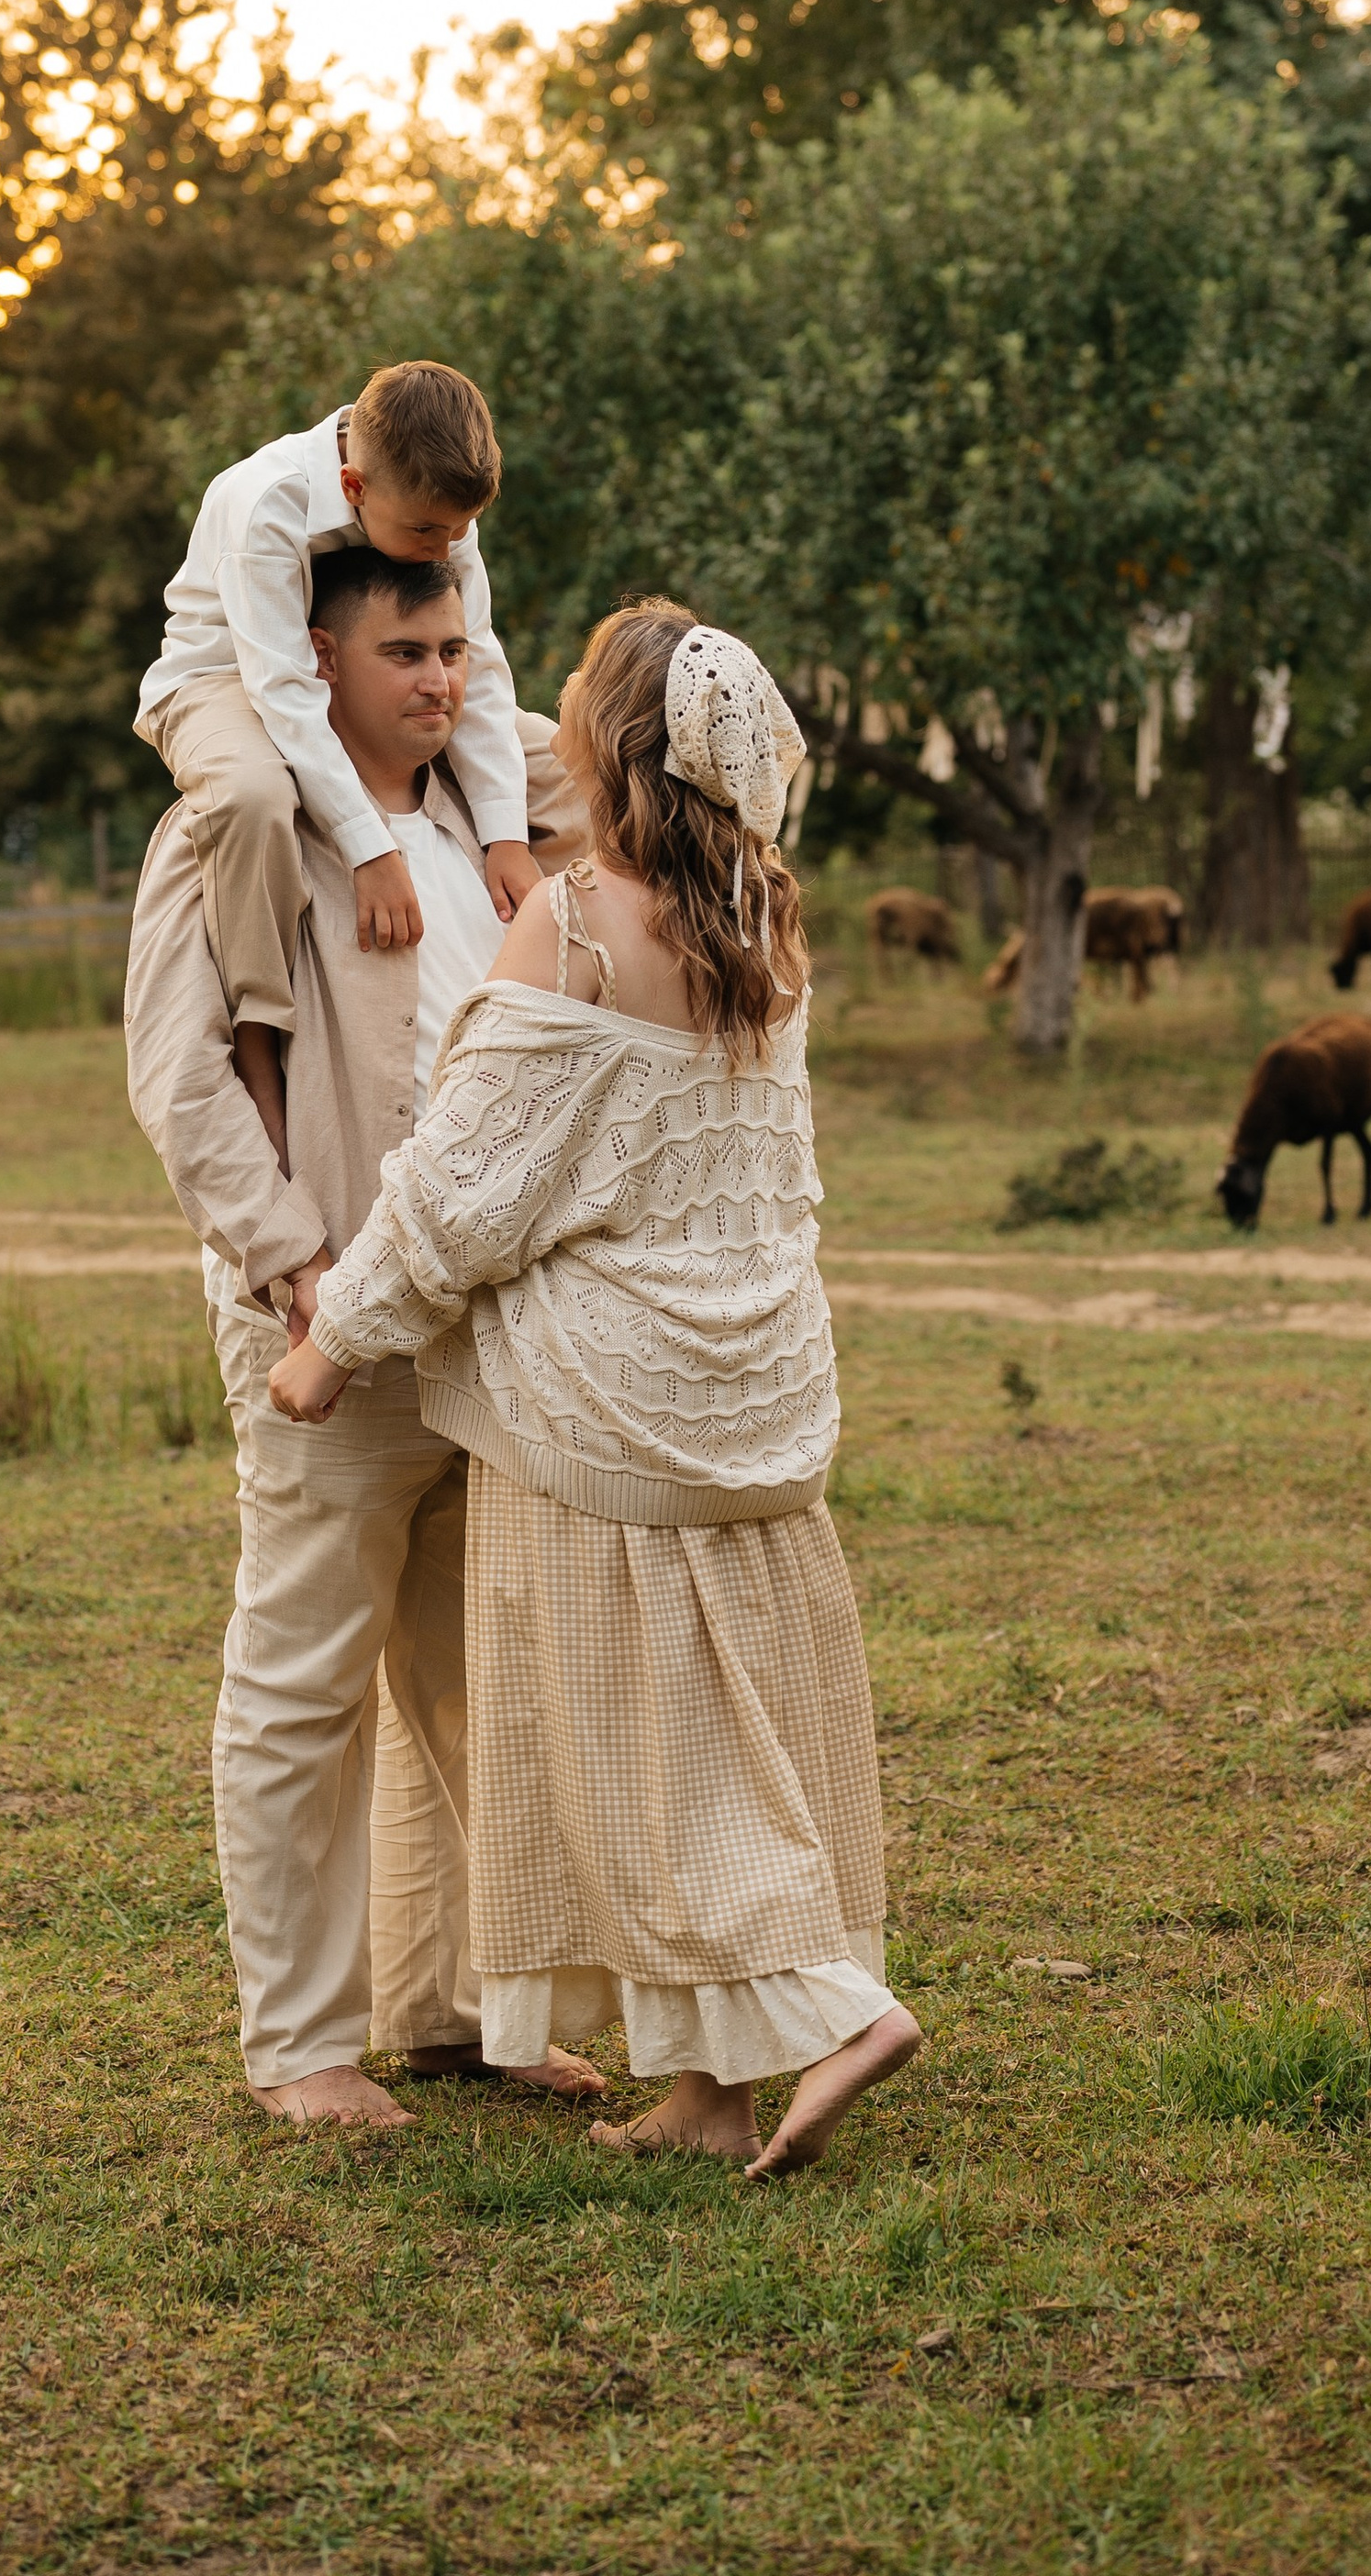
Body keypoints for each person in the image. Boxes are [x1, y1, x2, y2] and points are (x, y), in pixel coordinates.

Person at [267, 600, 922, 2179]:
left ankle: (833, 2009)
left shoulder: (574, 920)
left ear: (609, 744)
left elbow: (465, 1192)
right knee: (745, 1724)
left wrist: (330, 1339)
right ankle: (707, 2097)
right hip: (755, 1400)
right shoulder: (762, 925)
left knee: (636, 1755)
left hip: (613, 1416)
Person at [126, 539, 600, 2128]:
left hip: (487, 1330)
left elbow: (629, 758)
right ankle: (301, 2042)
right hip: (322, 1312)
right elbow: (180, 1079)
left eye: (456, 645)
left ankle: (466, 2003)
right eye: (405, 649)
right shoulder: (234, 830)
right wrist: (291, 1262)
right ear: (312, 657)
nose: (442, 677)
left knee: (479, 1673)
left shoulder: (485, 809)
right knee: (307, 1672)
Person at [135, 360, 542, 1167]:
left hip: (364, 654)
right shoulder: (266, 503)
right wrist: (374, 849)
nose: (449, 547)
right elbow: (282, 693)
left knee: (562, 757)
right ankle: (259, 1026)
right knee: (252, 795)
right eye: (430, 534)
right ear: (353, 487)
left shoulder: (435, 498)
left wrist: (506, 835)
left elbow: (484, 666)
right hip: (223, 675)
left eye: (462, 530)